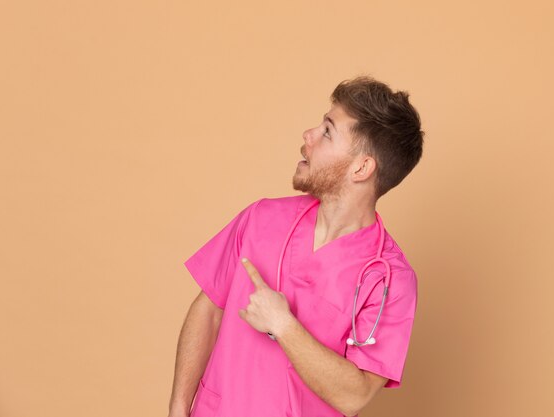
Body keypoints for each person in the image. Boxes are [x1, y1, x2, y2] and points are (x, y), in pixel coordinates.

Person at [168, 75, 425, 417]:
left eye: (328, 131)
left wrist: (283, 324)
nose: (309, 135)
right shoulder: (261, 218)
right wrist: (178, 408)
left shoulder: (389, 278)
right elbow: (209, 310)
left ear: (362, 167)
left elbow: (355, 395)